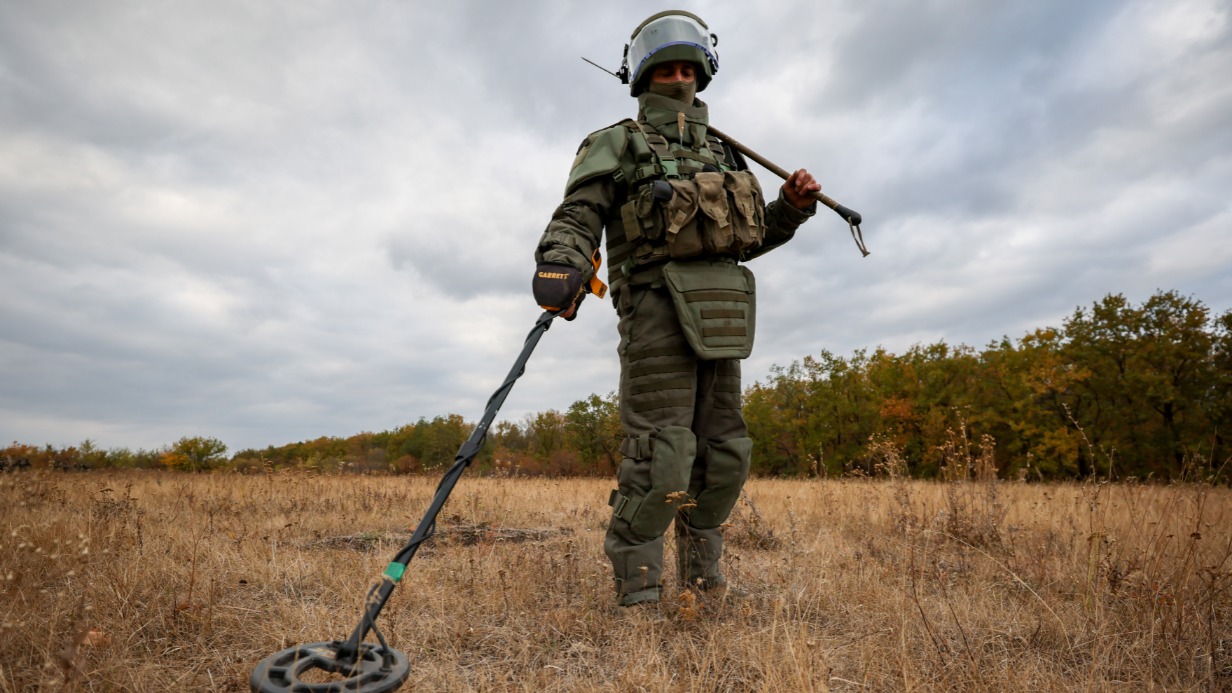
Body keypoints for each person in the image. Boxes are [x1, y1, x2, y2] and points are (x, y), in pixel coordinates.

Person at [531, 10, 821, 608]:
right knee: (661, 457)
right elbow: (580, 213)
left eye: (690, 68)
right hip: (656, 314)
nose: (680, 79)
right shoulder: (617, 142)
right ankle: (638, 594)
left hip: (722, 321)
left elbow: (747, 237)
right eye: (667, 69)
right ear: (643, 77)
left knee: (723, 456)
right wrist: (562, 261)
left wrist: (789, 209)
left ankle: (701, 587)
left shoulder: (724, 155)